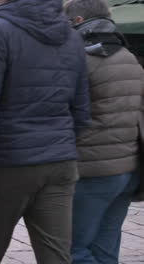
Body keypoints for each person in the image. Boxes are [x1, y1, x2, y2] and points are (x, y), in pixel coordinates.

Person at [0, 0, 91, 263]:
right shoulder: (71, 37)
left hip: (9, 163)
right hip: (60, 163)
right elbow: (81, 112)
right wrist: (59, 146)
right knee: (56, 257)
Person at [64, 0, 143, 263]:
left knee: (72, 249)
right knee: (105, 250)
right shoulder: (129, 57)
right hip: (127, 171)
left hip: (92, 171)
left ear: (77, 22)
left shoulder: (80, 59)